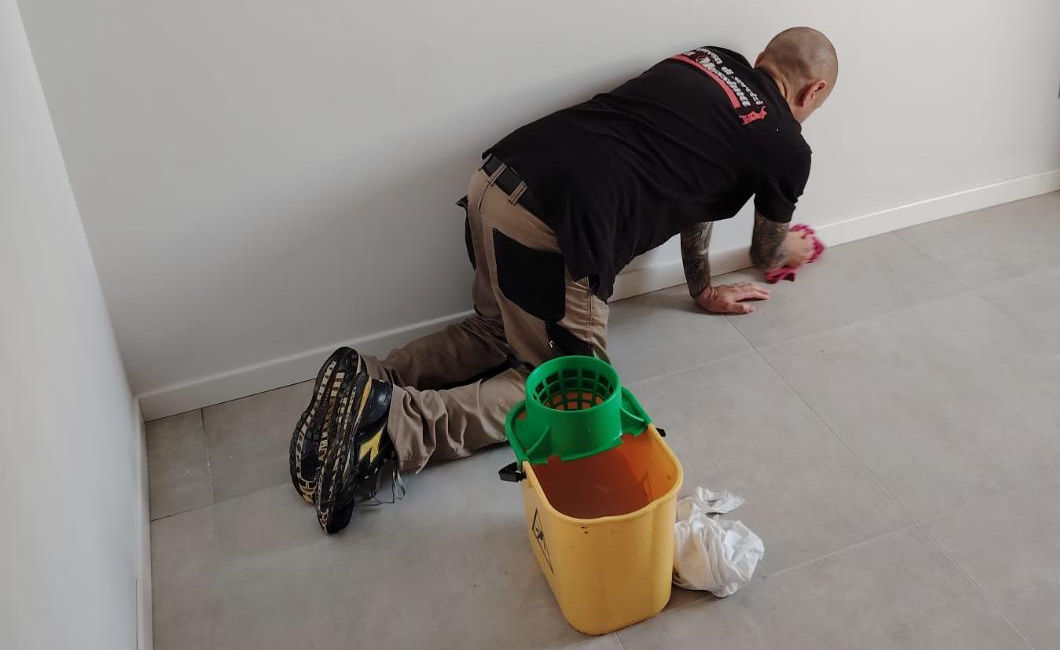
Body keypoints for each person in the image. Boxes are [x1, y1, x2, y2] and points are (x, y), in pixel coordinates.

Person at [290, 27, 837, 533]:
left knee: (496, 331)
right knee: (573, 395)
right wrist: (797, 246)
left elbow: (701, 198)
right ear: (812, 92)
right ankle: (391, 425)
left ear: (762, 59)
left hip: (497, 179)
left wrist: (702, 289)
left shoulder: (710, 59)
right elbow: (767, 252)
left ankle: (366, 379)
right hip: (553, 222)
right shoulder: (785, 144)